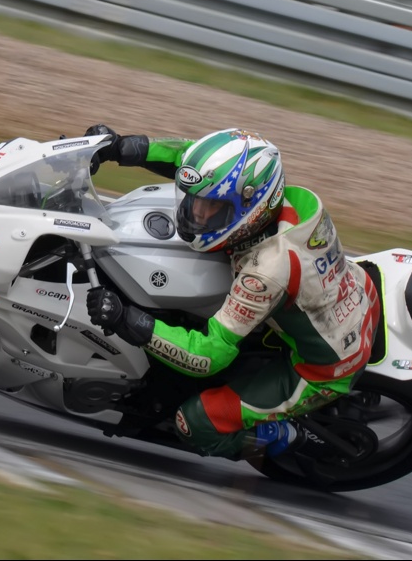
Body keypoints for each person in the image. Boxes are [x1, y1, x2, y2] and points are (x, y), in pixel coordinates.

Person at [82, 124, 381, 461]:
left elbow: (208, 357)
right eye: (194, 202)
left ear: (252, 208)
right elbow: (186, 159)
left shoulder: (266, 271)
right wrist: (122, 147)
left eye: (211, 208)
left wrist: (127, 320)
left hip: (323, 366)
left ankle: (285, 437)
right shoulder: (283, 199)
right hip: (351, 292)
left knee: (194, 423)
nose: (196, 214)